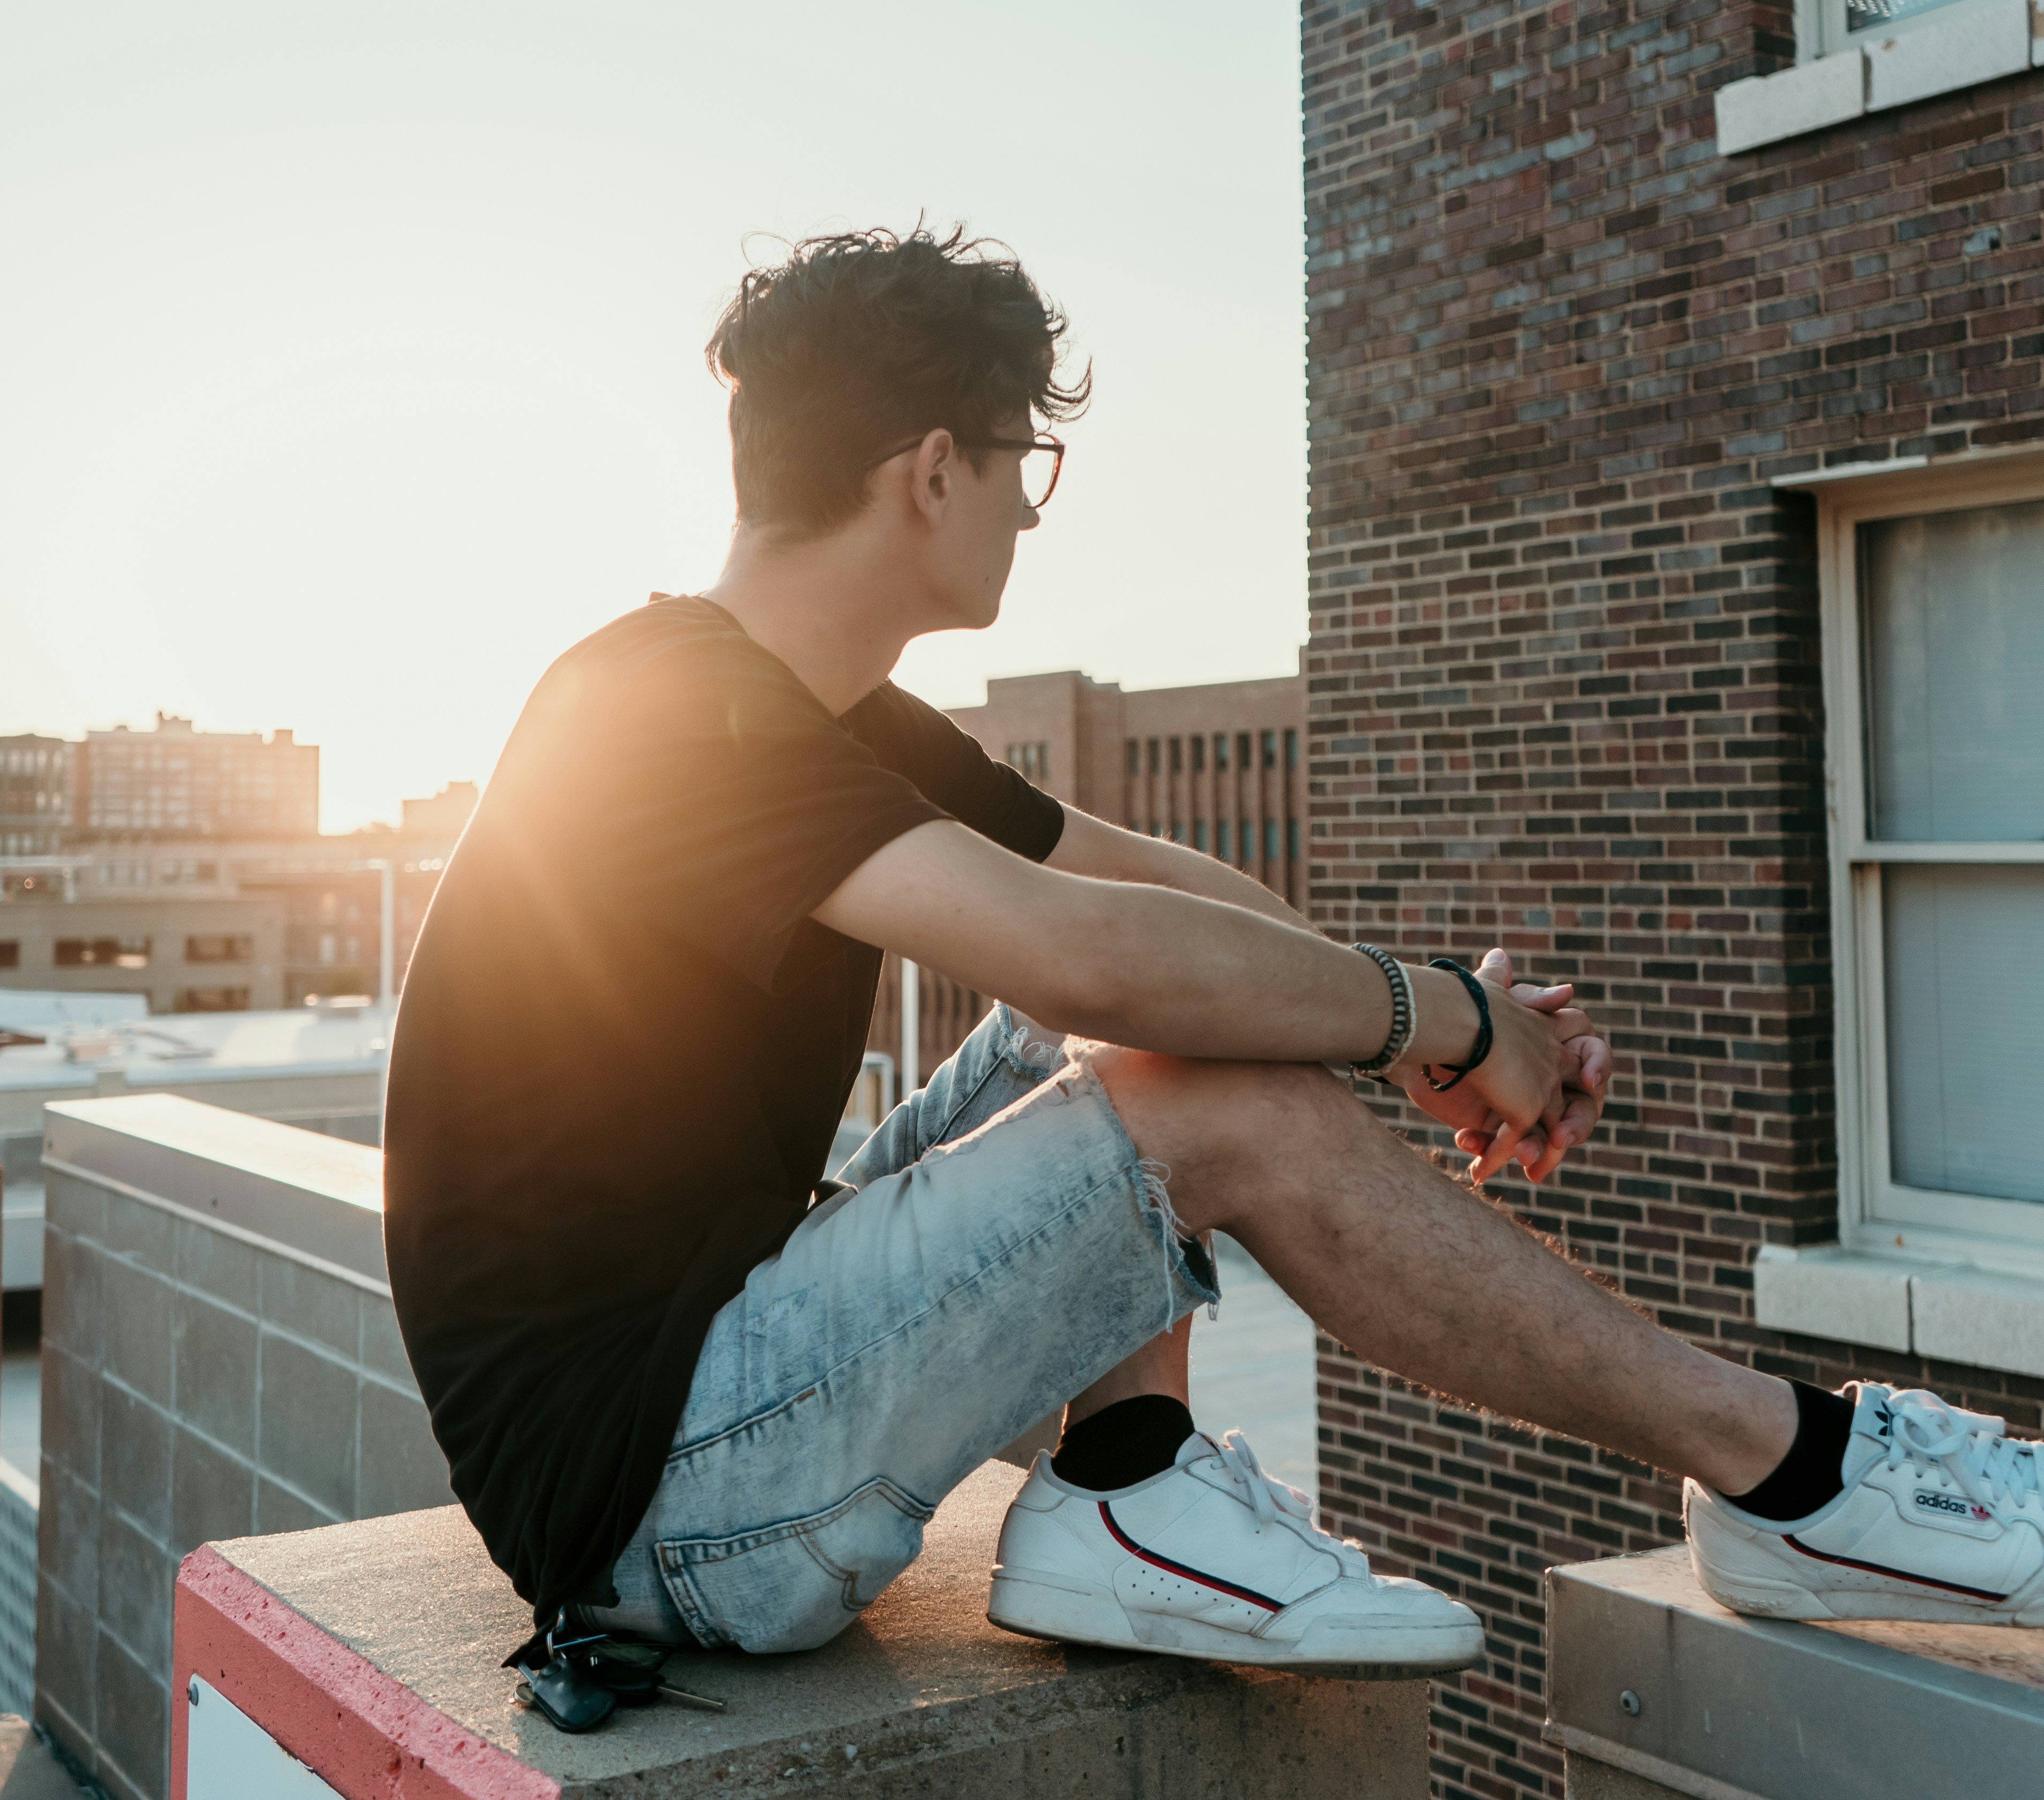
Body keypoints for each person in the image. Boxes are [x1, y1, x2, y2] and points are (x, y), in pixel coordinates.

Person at [382, 226, 2044, 1685]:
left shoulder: (796, 705)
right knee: (1206, 1094)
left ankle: (1130, 1485)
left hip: (714, 1379)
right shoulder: (663, 717)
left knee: (1181, 1033)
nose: (1030, 517)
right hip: (660, 1505)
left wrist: (1439, 1027)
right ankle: (1793, 1478)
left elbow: (1133, 883)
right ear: (933, 471)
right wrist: (1440, 1020)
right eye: (1025, 469)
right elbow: (1083, 956)